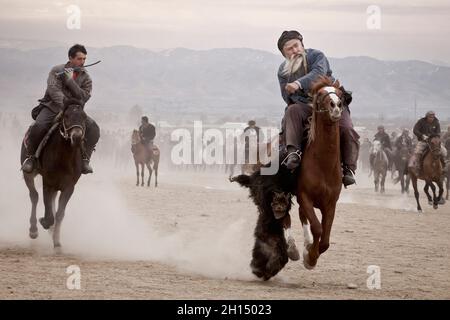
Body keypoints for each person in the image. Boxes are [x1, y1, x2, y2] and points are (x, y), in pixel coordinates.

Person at [277, 30, 359, 187]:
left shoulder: (317, 56)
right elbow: (286, 96)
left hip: (330, 104)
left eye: (296, 46)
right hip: (305, 106)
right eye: (289, 49)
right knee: (292, 110)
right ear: (284, 53)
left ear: (302, 45)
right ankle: (293, 152)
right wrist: (296, 97)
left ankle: (348, 168)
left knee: (347, 128)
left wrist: (298, 84)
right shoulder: (282, 71)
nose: (295, 50)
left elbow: (319, 74)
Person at [21, 44, 100, 174]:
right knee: (38, 126)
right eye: (79, 59)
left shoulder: (86, 77)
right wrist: (65, 104)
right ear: (70, 58)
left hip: (74, 112)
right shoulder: (56, 71)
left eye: (84, 59)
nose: (82, 62)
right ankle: (30, 158)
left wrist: (69, 81)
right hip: (52, 108)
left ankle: (85, 160)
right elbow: (54, 91)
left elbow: (84, 97)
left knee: (94, 129)